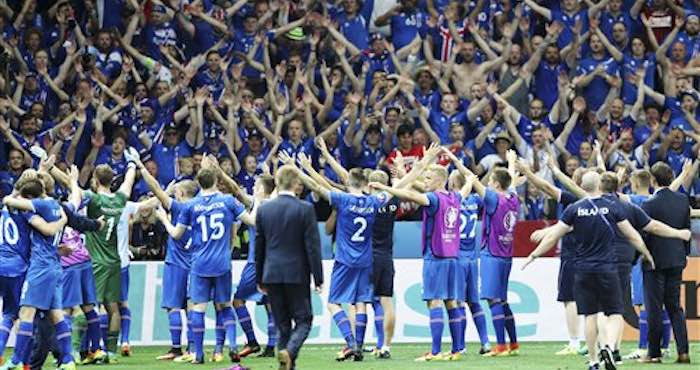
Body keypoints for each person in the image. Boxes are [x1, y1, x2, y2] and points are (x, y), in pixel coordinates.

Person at [523, 171, 681, 370]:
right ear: (599, 185)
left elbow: (555, 234)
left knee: (590, 316)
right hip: (608, 268)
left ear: (582, 185)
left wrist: (533, 255)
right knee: (615, 312)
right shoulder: (613, 208)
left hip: (582, 269)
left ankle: (594, 360)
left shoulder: (574, 208)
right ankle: (610, 347)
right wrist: (646, 253)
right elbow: (632, 235)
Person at [370, 146, 465, 362]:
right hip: (453, 257)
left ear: (440, 179)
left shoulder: (432, 198)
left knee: (434, 302)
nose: (426, 181)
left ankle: (435, 351)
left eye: (429, 177)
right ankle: (458, 349)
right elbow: (466, 185)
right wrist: (406, 171)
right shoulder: (455, 197)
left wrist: (388, 189)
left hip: (436, 255)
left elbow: (411, 194)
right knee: (451, 301)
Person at [159, 157, 258, 365]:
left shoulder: (190, 206)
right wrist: (256, 200)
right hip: (222, 263)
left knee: (198, 308)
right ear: (215, 180)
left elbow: (177, 234)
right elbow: (252, 221)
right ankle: (232, 346)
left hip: (200, 264)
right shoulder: (228, 202)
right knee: (224, 305)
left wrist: (164, 220)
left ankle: (199, 354)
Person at [0, 173, 72, 370]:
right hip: (42, 266)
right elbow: (52, 226)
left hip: (24, 266)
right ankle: (65, 359)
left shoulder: (17, 209)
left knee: (20, 313)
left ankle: (16, 360)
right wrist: (63, 221)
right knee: (48, 314)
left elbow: (9, 198)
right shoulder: (47, 208)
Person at [255, 165, 323, 370]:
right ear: (295, 184)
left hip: (272, 273)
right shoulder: (305, 209)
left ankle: (286, 365)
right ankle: (290, 352)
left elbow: (259, 247)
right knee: (304, 320)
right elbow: (312, 247)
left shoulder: (264, 209)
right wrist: (318, 277)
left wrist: (259, 278)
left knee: (282, 325)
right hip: (297, 273)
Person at [134, 156, 197, 362]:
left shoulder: (180, 208)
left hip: (176, 263)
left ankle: (176, 348)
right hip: (195, 262)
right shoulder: (200, 208)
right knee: (191, 307)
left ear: (180, 193)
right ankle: (193, 348)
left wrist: (141, 167)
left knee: (173, 306)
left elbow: (157, 190)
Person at [78, 154, 137, 363]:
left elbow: (74, 191)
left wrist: (55, 170)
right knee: (113, 307)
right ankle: (110, 352)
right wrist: (132, 164)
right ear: (112, 180)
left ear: (94, 179)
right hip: (115, 261)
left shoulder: (94, 200)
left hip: (97, 261)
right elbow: (129, 181)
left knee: (86, 306)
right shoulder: (120, 200)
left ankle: (82, 351)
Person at [639, 162, 692, 364]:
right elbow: (686, 229)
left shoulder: (648, 204)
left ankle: (654, 353)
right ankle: (683, 352)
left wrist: (641, 256)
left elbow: (645, 234)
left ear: (653, 180)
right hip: (677, 259)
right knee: (675, 307)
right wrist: (684, 254)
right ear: (671, 179)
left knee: (654, 308)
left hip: (654, 261)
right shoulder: (682, 200)